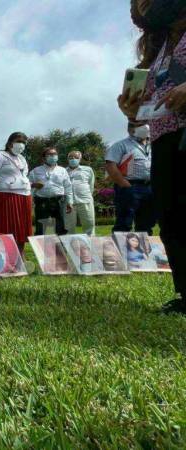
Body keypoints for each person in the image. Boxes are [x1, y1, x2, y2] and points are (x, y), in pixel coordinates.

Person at [119, 0, 186, 311]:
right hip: (164, 138)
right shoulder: (158, 50)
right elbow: (149, 106)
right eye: (140, 4)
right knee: (172, 216)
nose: (147, 7)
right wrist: (133, 113)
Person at [105, 121, 156, 235]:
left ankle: (143, 250)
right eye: (140, 125)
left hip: (150, 187)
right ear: (130, 129)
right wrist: (123, 183)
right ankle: (121, 250)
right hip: (130, 186)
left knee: (147, 222)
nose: (146, 127)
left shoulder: (153, 144)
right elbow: (110, 164)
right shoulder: (121, 145)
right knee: (124, 222)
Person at [0, 132, 32, 253]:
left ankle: (20, 257)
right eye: (18, 141)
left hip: (24, 196)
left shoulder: (22, 159)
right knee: (4, 226)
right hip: (4, 195)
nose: (21, 145)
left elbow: (24, 174)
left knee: (21, 228)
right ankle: (0, 256)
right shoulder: (0, 155)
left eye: (23, 142)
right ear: (10, 143)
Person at [29, 147, 74, 235]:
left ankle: (61, 248)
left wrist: (70, 202)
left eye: (55, 154)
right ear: (43, 157)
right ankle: (40, 248)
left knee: (61, 227)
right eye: (50, 155)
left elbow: (68, 187)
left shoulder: (62, 170)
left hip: (59, 201)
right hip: (41, 201)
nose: (53, 156)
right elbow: (29, 186)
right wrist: (30, 201)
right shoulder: (36, 171)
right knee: (40, 228)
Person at [65, 151, 96, 235]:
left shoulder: (88, 170)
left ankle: (90, 245)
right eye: (71, 157)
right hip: (68, 203)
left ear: (80, 159)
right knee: (68, 227)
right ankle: (68, 247)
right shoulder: (63, 171)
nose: (73, 159)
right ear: (67, 159)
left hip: (85, 200)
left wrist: (88, 196)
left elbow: (91, 185)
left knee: (89, 224)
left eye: (76, 157)